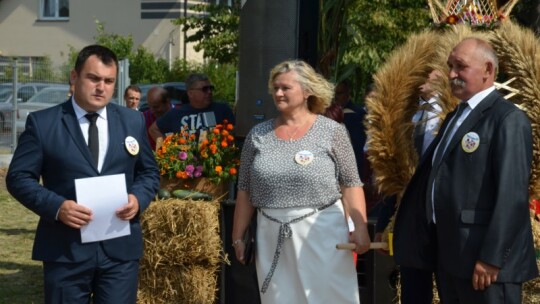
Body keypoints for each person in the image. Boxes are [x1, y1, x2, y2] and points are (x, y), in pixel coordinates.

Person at [6, 45, 160, 303]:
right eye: (94, 78)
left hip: (119, 253)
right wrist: (57, 206)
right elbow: (18, 178)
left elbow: (149, 172)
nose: (101, 87)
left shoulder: (132, 121)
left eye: (109, 81)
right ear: (74, 77)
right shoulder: (43, 124)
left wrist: (137, 198)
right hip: (65, 251)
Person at [393, 37, 538, 304]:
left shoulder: (507, 119)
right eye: (450, 66)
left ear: (487, 70)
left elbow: (512, 195)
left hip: (486, 265)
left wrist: (491, 258)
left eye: (460, 66)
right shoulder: (455, 116)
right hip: (453, 259)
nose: (451, 74)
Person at [232, 60, 370, 303]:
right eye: (275, 88)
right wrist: (238, 236)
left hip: (323, 231)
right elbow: (244, 190)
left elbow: (351, 183)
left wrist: (360, 227)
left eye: (285, 88)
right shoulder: (258, 135)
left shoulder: (332, 131)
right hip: (270, 232)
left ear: (307, 91)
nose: (278, 93)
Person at [374, 69, 443, 304]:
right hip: (409, 218)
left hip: (445, 219)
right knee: (413, 291)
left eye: (428, 71)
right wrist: (383, 223)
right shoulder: (403, 115)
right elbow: (392, 173)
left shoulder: (454, 113)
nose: (421, 76)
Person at [148, 73, 235, 141]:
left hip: (216, 162)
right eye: (204, 89)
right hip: (186, 162)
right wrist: (167, 150)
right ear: (190, 93)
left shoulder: (222, 110)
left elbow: (233, 135)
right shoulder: (176, 113)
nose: (209, 92)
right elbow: (153, 130)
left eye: (210, 88)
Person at [142, 86, 174, 150]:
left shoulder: (180, 115)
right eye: (150, 107)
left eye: (156, 107)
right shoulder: (144, 118)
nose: (152, 111)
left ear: (167, 102)